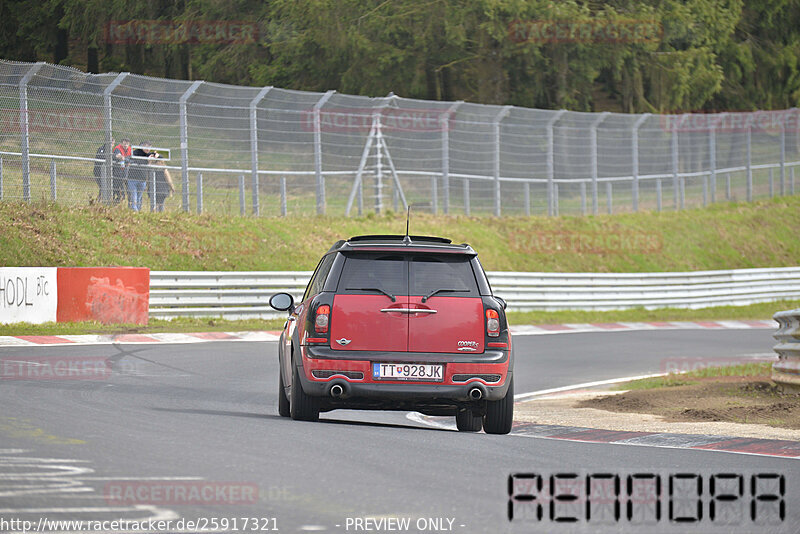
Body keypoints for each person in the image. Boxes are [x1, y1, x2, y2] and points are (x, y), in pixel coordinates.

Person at [127, 141, 151, 212]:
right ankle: (135, 211)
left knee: (139, 197)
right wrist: (147, 161)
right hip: (133, 179)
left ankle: (137, 211)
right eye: (146, 147)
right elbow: (133, 159)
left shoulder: (148, 155)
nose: (148, 149)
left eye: (149, 147)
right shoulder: (136, 152)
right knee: (134, 197)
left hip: (142, 180)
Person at [111, 138, 131, 204]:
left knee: (124, 195)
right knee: (116, 192)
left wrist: (125, 159)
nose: (126, 145)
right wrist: (121, 157)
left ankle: (114, 204)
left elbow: (131, 158)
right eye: (124, 143)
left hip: (125, 174)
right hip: (117, 174)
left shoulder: (130, 149)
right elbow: (117, 155)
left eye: (127, 144)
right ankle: (111, 204)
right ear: (121, 143)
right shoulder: (117, 148)